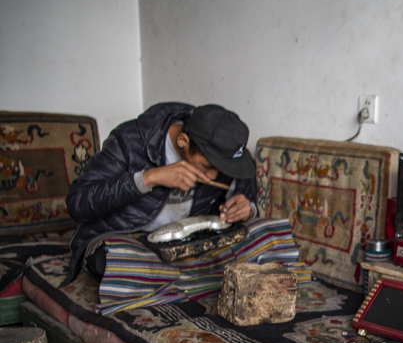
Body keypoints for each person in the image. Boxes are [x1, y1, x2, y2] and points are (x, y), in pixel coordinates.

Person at [65, 103, 258, 282]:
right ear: (183, 141)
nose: (213, 176)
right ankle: (190, 275)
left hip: (188, 242)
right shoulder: (129, 140)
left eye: (221, 168)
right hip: (133, 239)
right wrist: (149, 178)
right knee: (113, 261)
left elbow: (244, 196)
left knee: (265, 236)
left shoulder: (225, 148)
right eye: (207, 166)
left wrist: (247, 208)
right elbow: (77, 203)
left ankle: (179, 275)